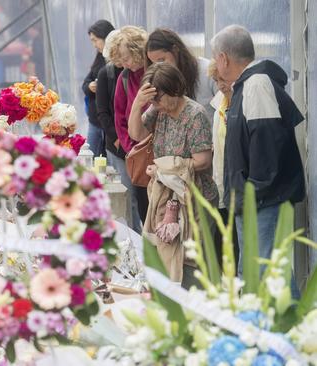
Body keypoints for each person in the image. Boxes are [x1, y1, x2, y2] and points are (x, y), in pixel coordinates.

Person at [211, 25, 304, 288]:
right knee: (261, 275)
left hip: (262, 201)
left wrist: (251, 194)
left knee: (267, 277)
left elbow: (268, 148)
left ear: (223, 58)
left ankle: (288, 327)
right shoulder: (246, 86)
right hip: (253, 200)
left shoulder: (256, 85)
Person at [128, 62, 217, 287]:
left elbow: (203, 160)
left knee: (192, 264)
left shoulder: (195, 114)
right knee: (166, 259)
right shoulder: (159, 110)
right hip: (167, 199)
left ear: (175, 89)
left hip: (195, 200)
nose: (156, 104)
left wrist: (163, 168)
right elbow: (136, 134)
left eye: (159, 98)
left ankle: (197, 315)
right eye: (152, 100)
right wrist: (138, 104)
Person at [96, 30, 142, 232]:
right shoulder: (115, 75)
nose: (124, 64)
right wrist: (120, 142)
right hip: (125, 147)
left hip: (142, 146)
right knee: (132, 195)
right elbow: (112, 113)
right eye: (120, 61)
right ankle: (135, 236)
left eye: (125, 59)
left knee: (142, 196)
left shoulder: (142, 73)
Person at [113, 25, 149, 224]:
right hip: (138, 154)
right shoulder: (124, 78)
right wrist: (130, 148)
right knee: (142, 204)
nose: (124, 63)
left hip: (161, 151)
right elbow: (119, 117)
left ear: (137, 50)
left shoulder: (155, 72)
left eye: (126, 57)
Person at [145, 28, 217, 119]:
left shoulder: (207, 71)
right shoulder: (160, 81)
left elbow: (226, 110)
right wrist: (138, 102)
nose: (158, 67)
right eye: (153, 63)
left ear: (175, 50)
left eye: (162, 60)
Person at [208, 59, 239, 267]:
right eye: (216, 80)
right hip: (221, 184)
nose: (220, 84)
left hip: (238, 186)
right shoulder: (220, 104)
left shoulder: (240, 102)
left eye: (223, 79)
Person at [82, 19, 115, 158]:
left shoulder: (115, 60)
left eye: (96, 40)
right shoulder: (100, 58)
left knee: (107, 161)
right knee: (90, 158)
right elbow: (85, 83)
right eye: (92, 41)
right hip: (95, 121)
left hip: (109, 122)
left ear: (106, 37)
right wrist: (90, 86)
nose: (94, 45)